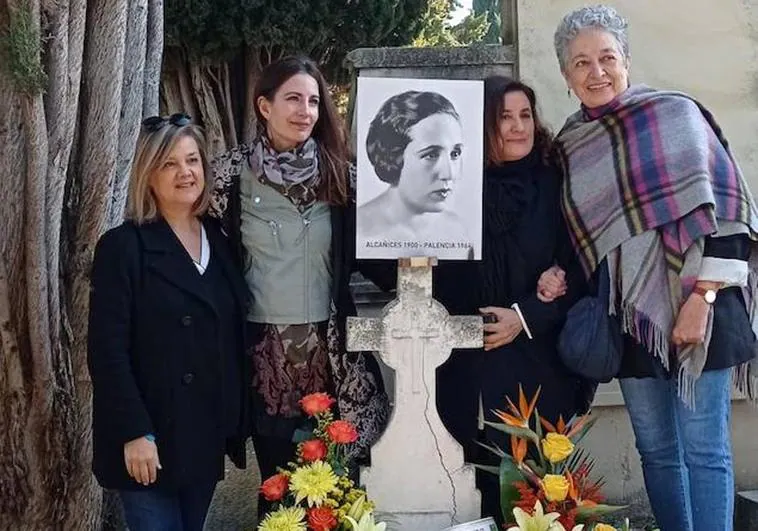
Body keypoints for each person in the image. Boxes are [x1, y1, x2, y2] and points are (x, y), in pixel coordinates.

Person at [542, 6, 758, 530]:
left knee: (705, 448)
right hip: (633, 317)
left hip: (701, 305)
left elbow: (729, 217)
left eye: (607, 58)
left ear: (627, 61)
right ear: (566, 77)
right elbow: (585, 238)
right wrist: (559, 272)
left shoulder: (676, 115)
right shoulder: (571, 145)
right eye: (581, 63)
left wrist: (699, 301)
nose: (596, 73)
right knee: (656, 450)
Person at [209, 56, 392, 516]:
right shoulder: (229, 177)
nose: (305, 111)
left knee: (334, 483)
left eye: (313, 100)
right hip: (265, 354)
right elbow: (203, 256)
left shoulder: (342, 177)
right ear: (264, 106)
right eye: (293, 98)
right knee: (279, 486)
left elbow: (380, 251)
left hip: (330, 353)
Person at [434, 76, 596, 525]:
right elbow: (424, 268)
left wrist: (528, 314)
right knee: (469, 484)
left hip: (539, 362)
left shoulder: (558, 184)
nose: (518, 126)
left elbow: (582, 265)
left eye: (525, 115)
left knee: (538, 493)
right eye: (504, 117)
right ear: (481, 125)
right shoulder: (448, 187)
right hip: (467, 363)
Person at [88, 114, 250, 531]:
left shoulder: (219, 238)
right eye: (170, 163)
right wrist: (134, 432)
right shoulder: (123, 247)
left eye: (193, 160)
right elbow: (107, 352)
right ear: (148, 174)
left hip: (203, 434)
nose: (186, 173)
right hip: (149, 437)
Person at [358, 90, 474, 259]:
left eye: (455, 153)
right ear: (393, 157)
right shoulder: (359, 232)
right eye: (431, 155)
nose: (449, 173)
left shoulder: (459, 233)